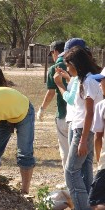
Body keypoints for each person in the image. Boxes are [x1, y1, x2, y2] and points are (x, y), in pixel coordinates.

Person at [54, 46, 102, 210]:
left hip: (83, 131)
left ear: (76, 64)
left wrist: (82, 140)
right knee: (85, 170)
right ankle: (91, 204)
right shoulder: (85, 80)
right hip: (84, 130)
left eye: (69, 65)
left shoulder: (88, 82)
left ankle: (83, 207)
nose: (67, 68)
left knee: (71, 172)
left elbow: (89, 113)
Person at [37, 41, 69, 171]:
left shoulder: (55, 68)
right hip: (83, 115)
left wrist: (42, 109)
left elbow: (51, 92)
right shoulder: (79, 63)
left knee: (66, 151)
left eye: (52, 53)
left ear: (55, 51)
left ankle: (70, 183)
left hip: (64, 114)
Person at [88, 68, 105, 210]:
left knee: (96, 202)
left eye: (102, 80)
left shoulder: (101, 106)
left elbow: (98, 136)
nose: (99, 84)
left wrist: (99, 160)